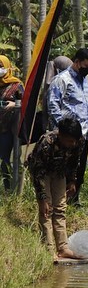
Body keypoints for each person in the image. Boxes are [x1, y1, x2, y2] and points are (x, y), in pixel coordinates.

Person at [26, 117, 84, 260]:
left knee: (60, 208)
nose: (73, 144)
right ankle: (49, 249)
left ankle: (63, 248)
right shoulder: (46, 142)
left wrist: (72, 181)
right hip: (42, 171)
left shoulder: (78, 141)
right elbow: (38, 172)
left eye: (75, 141)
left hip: (60, 171)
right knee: (46, 209)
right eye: (70, 141)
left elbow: (74, 162)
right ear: (61, 135)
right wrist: (42, 198)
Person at [46, 48, 88, 204]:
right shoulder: (62, 80)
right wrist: (64, 130)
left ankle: (74, 200)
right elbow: (53, 106)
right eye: (86, 66)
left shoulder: (85, 81)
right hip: (68, 135)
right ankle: (61, 200)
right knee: (65, 167)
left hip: (85, 133)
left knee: (79, 168)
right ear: (77, 62)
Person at [0, 55, 23, 190]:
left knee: (8, 161)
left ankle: (12, 190)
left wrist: (14, 104)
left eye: (1, 66)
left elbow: (25, 102)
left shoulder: (16, 85)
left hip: (11, 129)